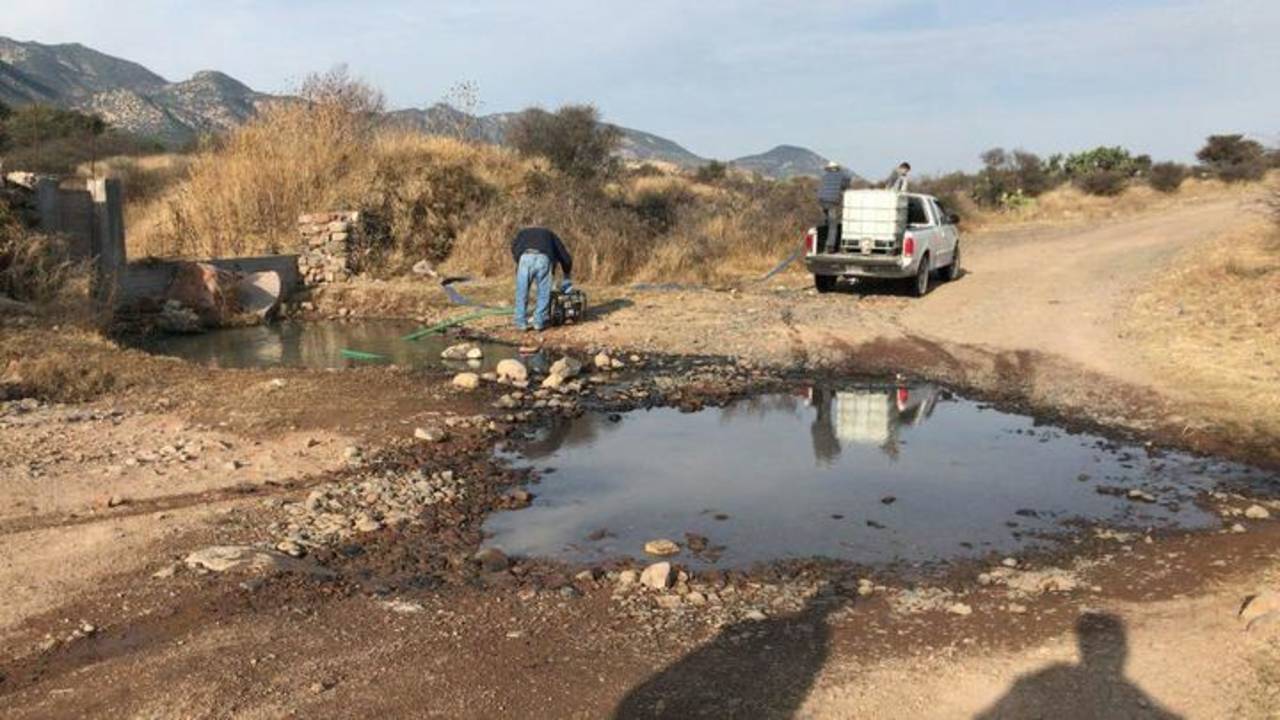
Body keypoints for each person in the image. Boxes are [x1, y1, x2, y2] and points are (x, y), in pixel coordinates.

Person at [510, 225, 572, 331]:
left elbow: (513, 247)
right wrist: (567, 273)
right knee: (543, 293)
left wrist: (519, 260)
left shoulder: (523, 233)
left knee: (522, 292)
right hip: (543, 258)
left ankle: (520, 322)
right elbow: (564, 255)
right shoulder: (551, 235)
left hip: (525, 257)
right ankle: (539, 322)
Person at [818, 161, 851, 252]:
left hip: (822, 201)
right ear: (837, 168)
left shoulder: (825, 176)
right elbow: (846, 183)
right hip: (832, 202)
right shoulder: (841, 175)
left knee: (827, 222)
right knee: (833, 225)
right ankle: (830, 246)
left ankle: (823, 242)